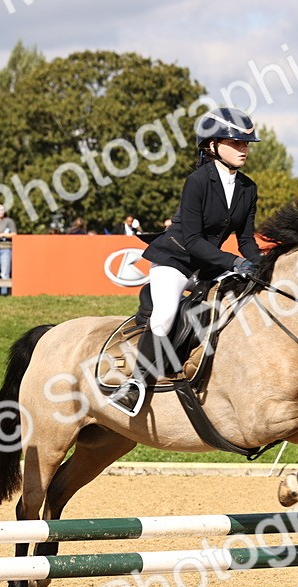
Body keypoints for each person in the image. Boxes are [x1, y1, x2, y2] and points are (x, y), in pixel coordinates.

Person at [108, 107, 261, 416]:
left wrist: (263, 265)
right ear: (212, 145)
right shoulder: (198, 181)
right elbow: (191, 240)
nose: (243, 149)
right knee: (164, 315)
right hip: (176, 259)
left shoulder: (248, 188)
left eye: (246, 144)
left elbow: (246, 241)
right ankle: (134, 384)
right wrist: (234, 262)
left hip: (210, 264)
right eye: (236, 143)